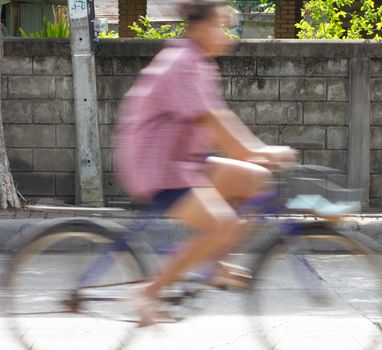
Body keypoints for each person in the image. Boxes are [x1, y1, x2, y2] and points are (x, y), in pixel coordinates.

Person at [113, 0, 296, 325]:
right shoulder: (182, 63)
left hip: (185, 161)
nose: (225, 33)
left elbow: (219, 120)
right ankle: (147, 294)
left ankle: (214, 263)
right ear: (197, 28)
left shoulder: (199, 63)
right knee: (221, 223)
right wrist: (261, 152)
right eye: (218, 26)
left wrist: (256, 156)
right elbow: (213, 122)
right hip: (158, 168)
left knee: (255, 181)